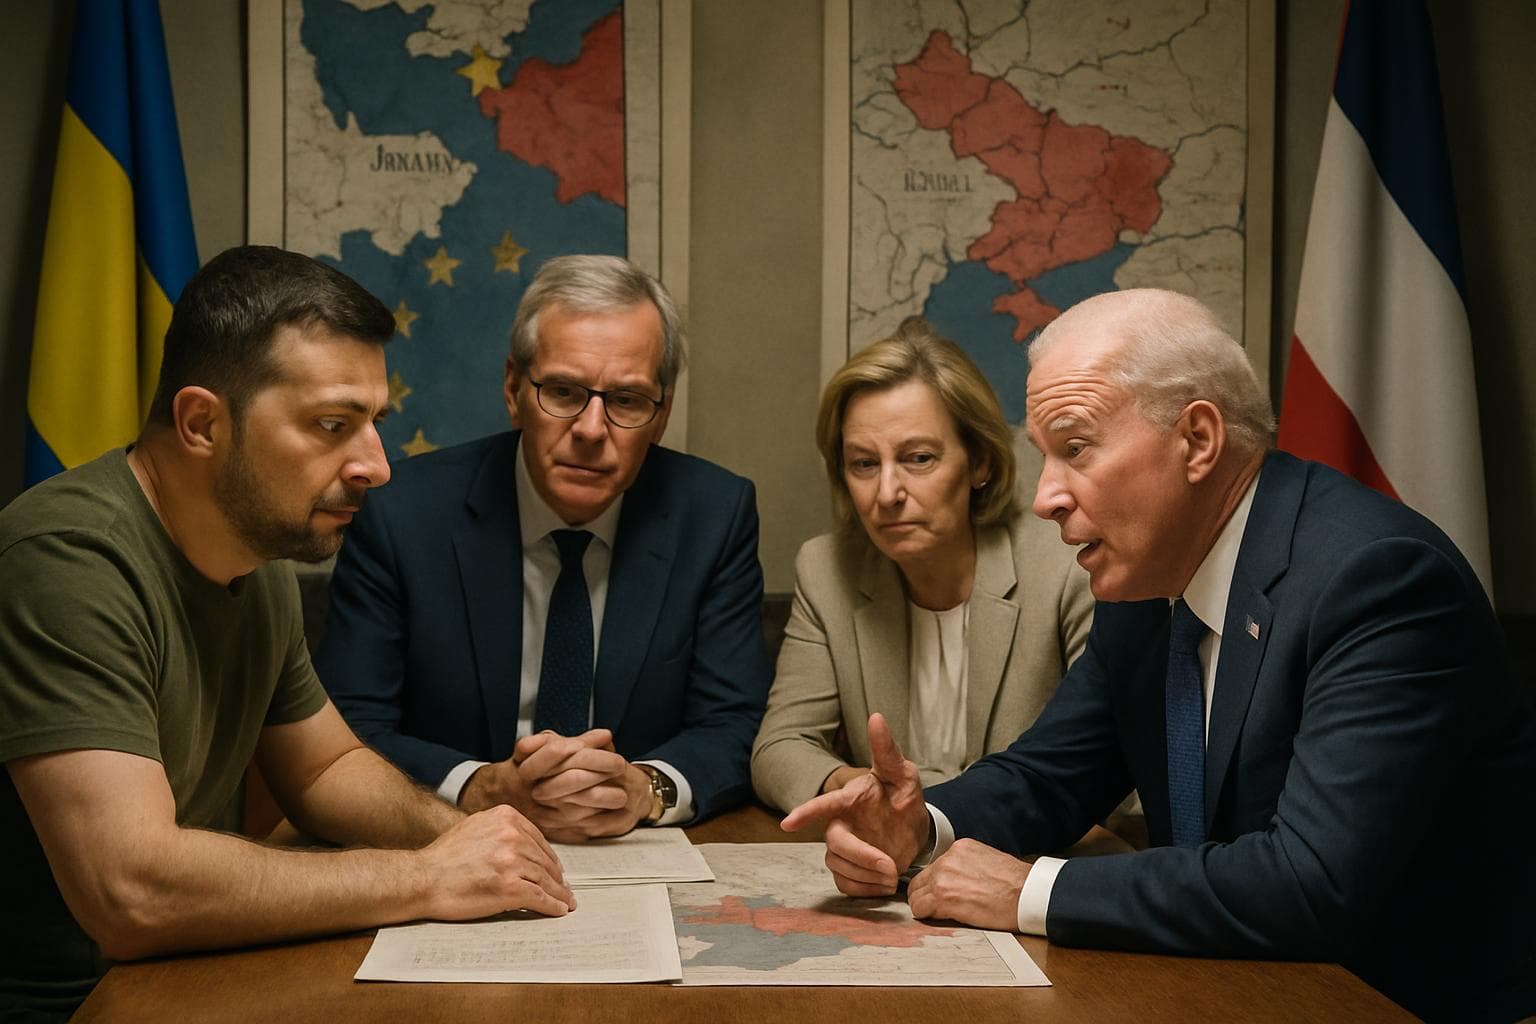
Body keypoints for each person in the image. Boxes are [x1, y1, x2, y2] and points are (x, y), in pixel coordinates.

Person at [782, 289, 1536, 1023]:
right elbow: (1050, 776)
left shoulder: (1378, 579)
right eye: (1044, 457)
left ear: (1198, 440)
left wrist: (1031, 891)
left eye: (1075, 449)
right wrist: (921, 825)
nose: (1045, 497)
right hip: (1224, 986)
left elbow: (1312, 886)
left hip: (1389, 1002)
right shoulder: (1145, 581)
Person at [0, 246, 574, 1022]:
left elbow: (324, 769)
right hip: (69, 1001)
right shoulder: (65, 556)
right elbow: (129, 890)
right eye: (333, 425)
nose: (377, 465)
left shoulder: (257, 554)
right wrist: (431, 878)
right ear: (202, 422)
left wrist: (480, 838)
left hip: (189, 975)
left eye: (374, 424)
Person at [316, 255, 772, 841]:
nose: (589, 429)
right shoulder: (402, 513)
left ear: (661, 417)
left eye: (627, 401)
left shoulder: (713, 515)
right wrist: (478, 787)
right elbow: (349, 725)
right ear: (514, 390)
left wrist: (646, 787)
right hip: (449, 840)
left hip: (639, 851)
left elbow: (734, 723)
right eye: (563, 391)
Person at [751, 318, 1092, 812]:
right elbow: (778, 749)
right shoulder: (828, 568)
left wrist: (920, 803)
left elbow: (1100, 776)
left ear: (980, 463)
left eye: (918, 458)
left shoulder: (1064, 566)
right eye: (864, 464)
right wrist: (859, 788)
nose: (887, 494)